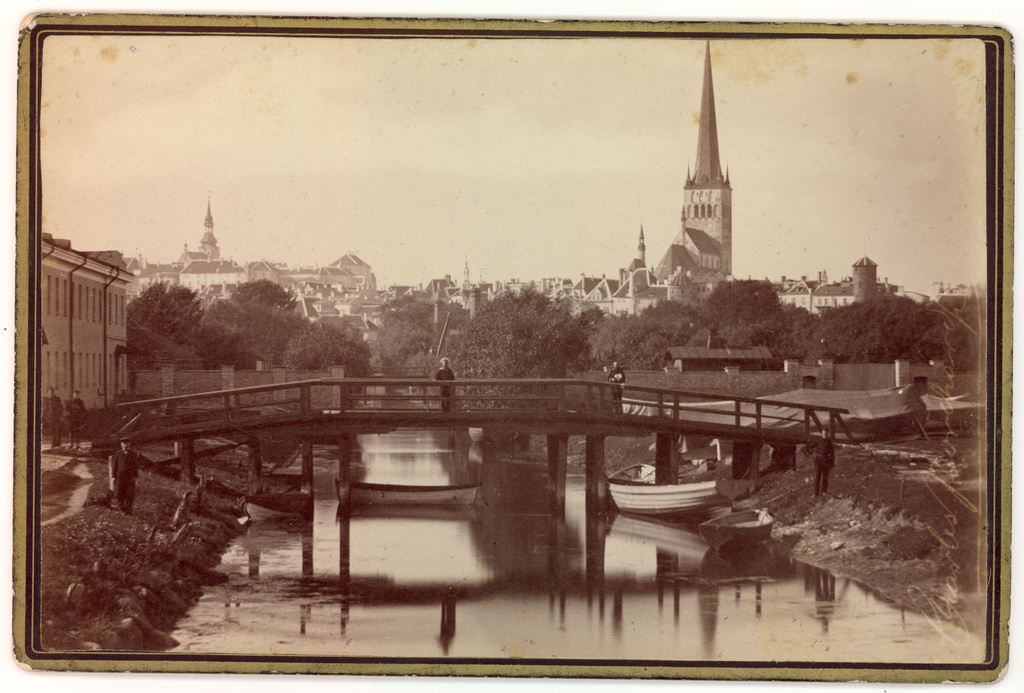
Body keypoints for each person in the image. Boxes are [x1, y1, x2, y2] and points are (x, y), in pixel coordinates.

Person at [111, 439, 141, 514]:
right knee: (120, 493)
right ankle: (122, 509)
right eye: (124, 443)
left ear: (129, 444)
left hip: (129, 477)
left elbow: (135, 466)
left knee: (129, 493)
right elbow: (115, 466)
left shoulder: (133, 454)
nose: (125, 445)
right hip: (120, 478)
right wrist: (113, 476)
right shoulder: (118, 453)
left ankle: (129, 510)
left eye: (127, 443)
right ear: (121, 444)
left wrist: (135, 476)